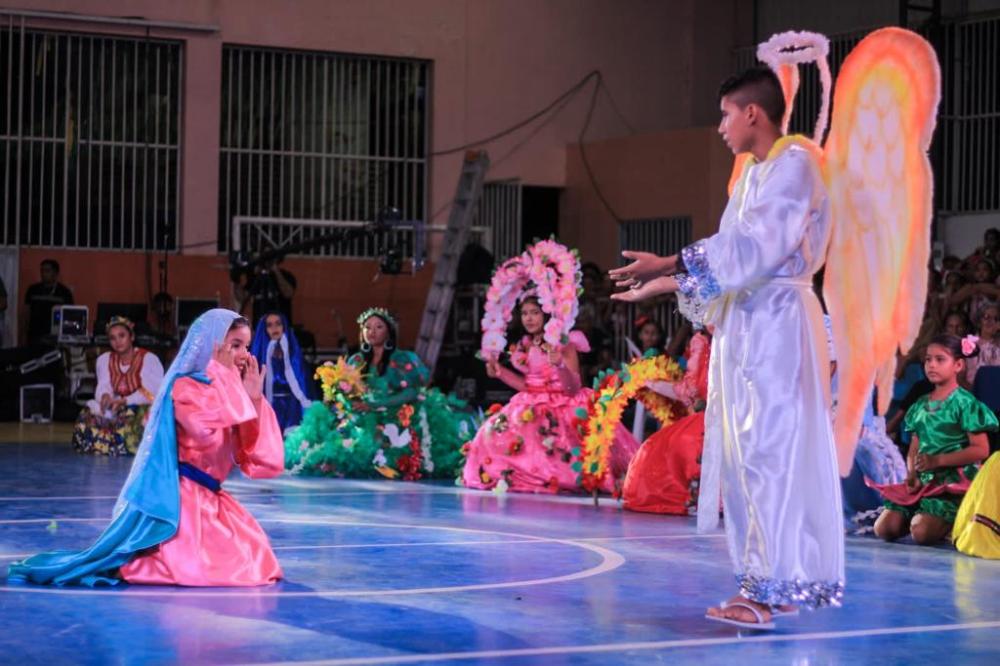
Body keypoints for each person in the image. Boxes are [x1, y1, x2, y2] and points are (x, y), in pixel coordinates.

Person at [610, 66, 844, 628]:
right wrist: (665, 282)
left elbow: (754, 249)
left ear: (752, 113)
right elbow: (732, 255)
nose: (720, 127)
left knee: (767, 452)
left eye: (725, 115)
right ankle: (773, 580)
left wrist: (669, 262)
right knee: (753, 453)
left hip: (778, 328)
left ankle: (761, 591)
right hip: (753, 325)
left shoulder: (795, 165)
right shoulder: (756, 177)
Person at [8, 310, 284, 587]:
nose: (244, 355)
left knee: (256, 557)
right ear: (213, 345)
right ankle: (137, 564)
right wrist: (224, 379)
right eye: (235, 345)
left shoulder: (232, 391)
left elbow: (258, 458)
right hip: (183, 503)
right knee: (220, 567)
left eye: (246, 346)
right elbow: (204, 429)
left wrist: (254, 400)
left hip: (213, 499)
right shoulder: (185, 387)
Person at [462, 295, 639, 494]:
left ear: (546, 315)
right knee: (489, 433)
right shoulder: (526, 345)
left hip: (564, 404)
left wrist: (560, 365)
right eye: (525, 313)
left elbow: (573, 388)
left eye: (535, 313)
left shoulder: (564, 343)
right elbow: (528, 386)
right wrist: (500, 373)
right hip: (532, 404)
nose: (529, 318)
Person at [285, 307, 472, 480]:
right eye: (367, 327)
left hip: (393, 412)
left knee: (389, 445)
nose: (372, 331)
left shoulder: (401, 359)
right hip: (363, 414)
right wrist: (352, 403)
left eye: (378, 327)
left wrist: (375, 405)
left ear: (388, 332)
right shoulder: (356, 360)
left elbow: (412, 392)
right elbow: (343, 391)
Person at [873, 334, 996, 546]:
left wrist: (938, 460)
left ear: (958, 365)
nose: (931, 365)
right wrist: (912, 474)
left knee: (921, 533)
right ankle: (921, 515)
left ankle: (954, 518)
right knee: (884, 528)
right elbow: (914, 447)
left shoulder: (965, 404)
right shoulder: (920, 404)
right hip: (925, 480)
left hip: (952, 482)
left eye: (940, 360)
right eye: (928, 359)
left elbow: (981, 449)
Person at [622, 328, 710, 514]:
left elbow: (690, 391)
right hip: (734, 418)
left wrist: (648, 382)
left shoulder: (701, 341)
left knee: (653, 449)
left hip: (709, 421)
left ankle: (693, 494)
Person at [72, 316, 165, 456]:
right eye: (112, 338)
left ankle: (118, 444)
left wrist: (125, 401)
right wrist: (105, 396)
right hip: (116, 409)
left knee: (131, 416)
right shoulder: (105, 360)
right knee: (86, 415)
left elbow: (151, 392)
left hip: (140, 408)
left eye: (122, 336)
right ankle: (104, 443)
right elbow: (104, 385)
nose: (117, 342)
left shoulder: (148, 359)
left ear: (132, 337)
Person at [250, 312, 311, 432]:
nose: (274, 328)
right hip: (270, 406)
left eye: (278, 324)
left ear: (284, 327)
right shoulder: (260, 356)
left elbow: (302, 382)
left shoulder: (293, 354)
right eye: (270, 325)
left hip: (292, 407)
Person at [24, 258, 74, 343]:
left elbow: (69, 316)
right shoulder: (33, 290)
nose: (43, 274)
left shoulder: (64, 292)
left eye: (47, 271)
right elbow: (26, 313)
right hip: (34, 335)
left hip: (55, 337)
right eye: (42, 271)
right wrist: (23, 333)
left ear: (55, 273)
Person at [236, 257, 297, 325]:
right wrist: (237, 280)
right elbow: (242, 299)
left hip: (280, 325)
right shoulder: (256, 277)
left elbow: (288, 294)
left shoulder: (285, 275)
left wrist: (276, 271)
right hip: (260, 324)